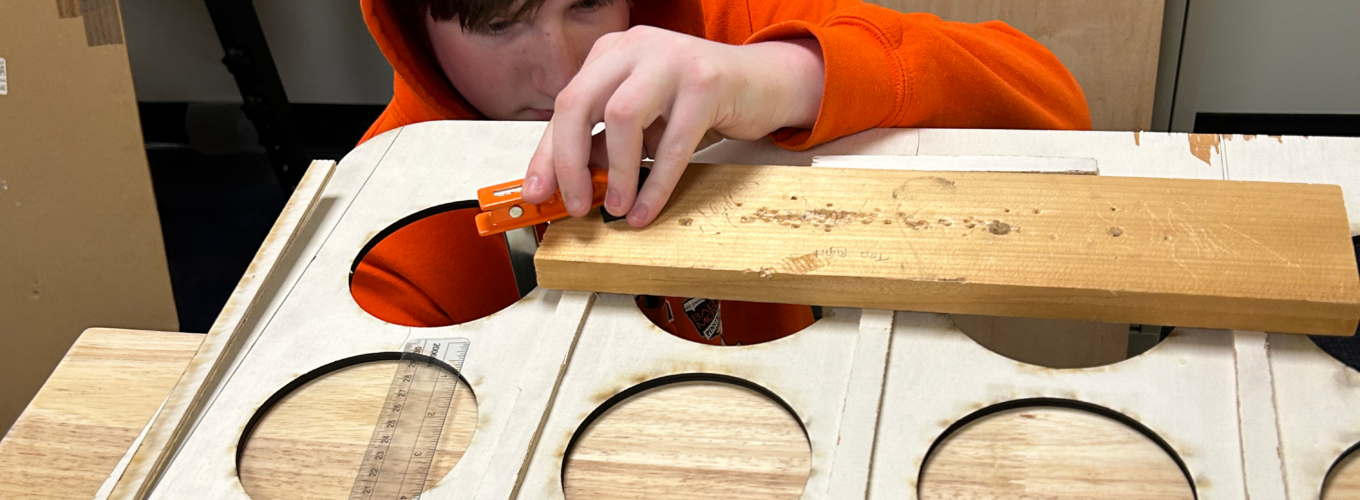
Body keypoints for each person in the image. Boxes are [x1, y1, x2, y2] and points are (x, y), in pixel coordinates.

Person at [350, 0, 1091, 345]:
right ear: (415, 20)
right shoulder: (384, 207)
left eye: (589, 3)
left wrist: (782, 75)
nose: (563, 70)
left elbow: (1058, 113)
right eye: (497, 22)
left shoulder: (720, 27)